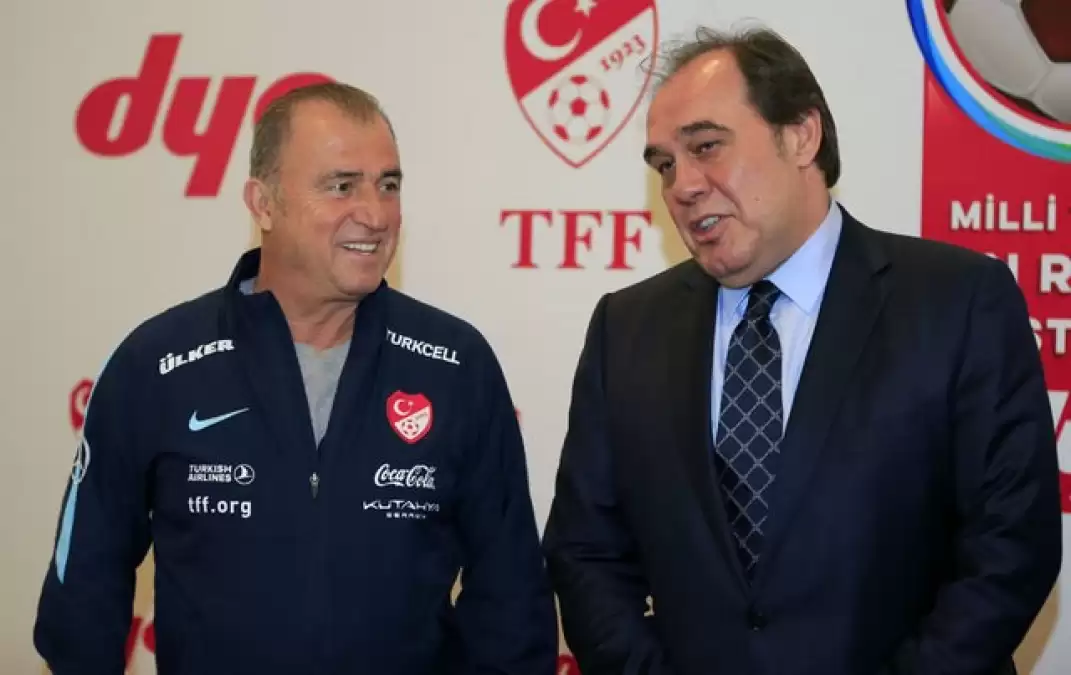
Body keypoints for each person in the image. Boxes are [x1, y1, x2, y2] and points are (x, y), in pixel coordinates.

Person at [542, 25, 1063, 675]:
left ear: (800, 136)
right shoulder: (625, 328)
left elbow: (1010, 547)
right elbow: (585, 552)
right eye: (665, 164)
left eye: (706, 147)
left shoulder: (957, 302)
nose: (682, 185)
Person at [34, 82, 558, 674]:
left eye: (389, 185)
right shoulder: (156, 364)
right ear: (263, 204)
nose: (375, 214)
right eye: (341, 186)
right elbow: (84, 590)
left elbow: (511, 600)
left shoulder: (456, 364)